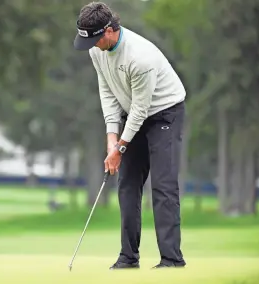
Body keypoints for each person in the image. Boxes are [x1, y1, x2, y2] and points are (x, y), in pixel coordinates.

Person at [73, 2, 187, 269]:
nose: (91, 45)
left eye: (94, 39)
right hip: (131, 112)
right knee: (126, 185)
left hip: (164, 113)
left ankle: (172, 259)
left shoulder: (140, 57)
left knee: (163, 186)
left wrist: (120, 146)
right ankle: (128, 257)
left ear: (110, 30)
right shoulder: (96, 50)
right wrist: (112, 139)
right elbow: (107, 91)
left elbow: (141, 109)